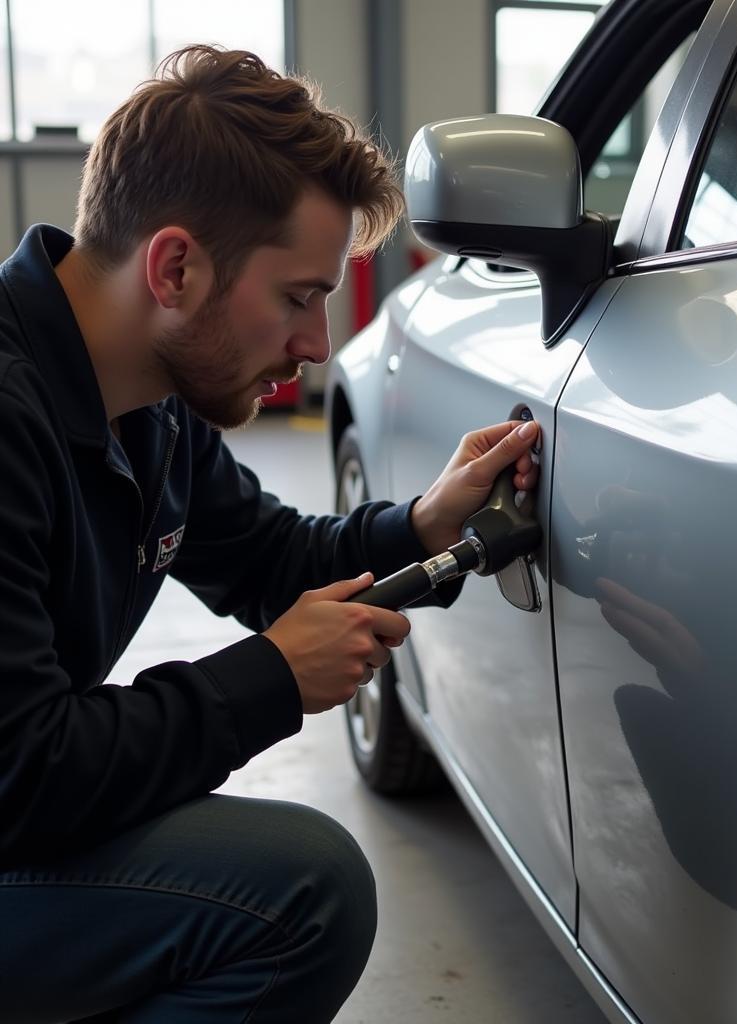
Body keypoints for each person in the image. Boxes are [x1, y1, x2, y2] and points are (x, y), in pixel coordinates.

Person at [0, 45, 540, 1023]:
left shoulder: (148, 403)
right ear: (175, 266)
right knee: (301, 891)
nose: (316, 345)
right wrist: (271, 678)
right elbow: (23, 773)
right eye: (299, 296)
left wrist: (426, 521)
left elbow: (270, 560)